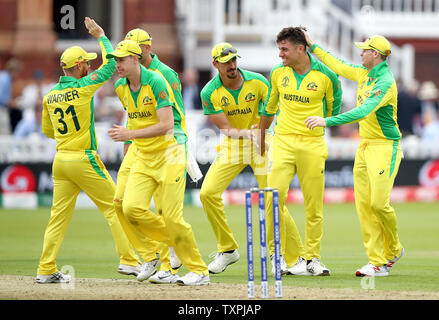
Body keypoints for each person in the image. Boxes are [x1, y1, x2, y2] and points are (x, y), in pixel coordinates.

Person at [36, 17, 142, 284]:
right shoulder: (84, 87)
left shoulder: (49, 96)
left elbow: (48, 132)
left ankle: (46, 268)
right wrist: (102, 36)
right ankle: (129, 261)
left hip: (60, 160)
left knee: (57, 219)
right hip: (84, 158)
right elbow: (109, 66)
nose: (90, 64)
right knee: (115, 207)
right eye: (86, 62)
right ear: (79, 66)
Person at [107, 39, 209, 286]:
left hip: (170, 152)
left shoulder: (156, 80)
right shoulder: (121, 86)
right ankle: (163, 251)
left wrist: (128, 135)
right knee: (130, 208)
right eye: (115, 60)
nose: (116, 65)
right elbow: (136, 119)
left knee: (172, 217)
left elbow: (166, 125)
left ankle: (199, 270)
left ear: (135, 58)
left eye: (121, 60)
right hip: (144, 155)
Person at [303, 31, 405, 277]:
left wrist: (326, 121)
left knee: (379, 204)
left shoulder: (384, 83)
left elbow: (362, 112)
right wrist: (312, 45)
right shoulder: (364, 74)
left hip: (385, 147)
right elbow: (337, 64)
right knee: (364, 207)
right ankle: (377, 262)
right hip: (365, 146)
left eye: (364, 50)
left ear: (376, 54)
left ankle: (394, 248)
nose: (360, 53)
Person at [258, 27, 342, 276]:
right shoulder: (277, 73)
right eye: (279, 49)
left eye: (284, 49)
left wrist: (320, 125)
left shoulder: (327, 76)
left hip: (312, 145)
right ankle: (277, 256)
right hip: (282, 142)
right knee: (272, 198)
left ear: (301, 49)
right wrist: (262, 139)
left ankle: (313, 259)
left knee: (313, 206)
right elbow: (270, 107)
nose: (280, 54)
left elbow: (333, 112)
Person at [199, 42, 286, 275]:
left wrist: (263, 133)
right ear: (215, 64)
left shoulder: (257, 81)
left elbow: (273, 110)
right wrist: (250, 134)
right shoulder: (209, 92)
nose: (232, 66)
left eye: (235, 60)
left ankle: (277, 254)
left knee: (273, 196)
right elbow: (226, 129)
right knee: (207, 193)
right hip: (234, 145)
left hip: (263, 141)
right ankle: (227, 250)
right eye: (226, 62)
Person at [0, 58, 22, 134]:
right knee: (5, 134)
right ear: (14, 70)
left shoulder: (3, 76)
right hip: (1, 110)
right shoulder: (5, 79)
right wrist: (12, 103)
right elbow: (1, 97)